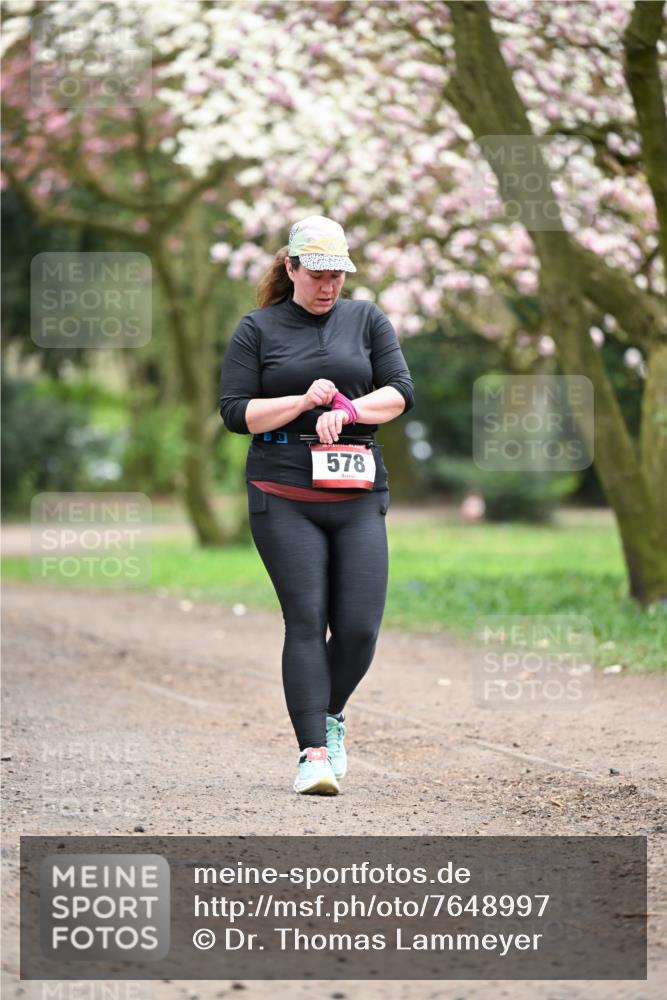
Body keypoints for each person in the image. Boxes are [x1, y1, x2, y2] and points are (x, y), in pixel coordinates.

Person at [219, 215, 415, 795]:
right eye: (318, 273)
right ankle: (312, 754)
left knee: (357, 628)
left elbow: (400, 392)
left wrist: (350, 411)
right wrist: (302, 399)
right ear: (291, 268)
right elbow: (235, 412)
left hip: (356, 489)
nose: (329, 285)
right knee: (306, 620)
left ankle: (327, 715)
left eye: (338, 274)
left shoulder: (367, 319)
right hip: (282, 492)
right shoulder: (256, 329)